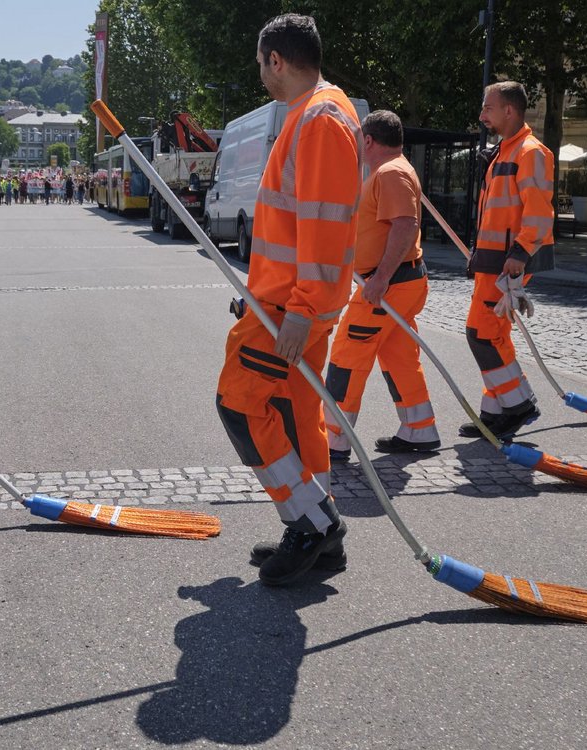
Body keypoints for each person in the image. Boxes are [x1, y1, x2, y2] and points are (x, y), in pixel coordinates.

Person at [215, 13, 361, 586]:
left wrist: (297, 309)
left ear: (277, 59)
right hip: (283, 301)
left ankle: (310, 524)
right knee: (299, 415)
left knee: (240, 406)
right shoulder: (317, 113)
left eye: (260, 64)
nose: (260, 74)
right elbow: (298, 227)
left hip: (291, 309)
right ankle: (320, 533)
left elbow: (323, 229)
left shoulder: (320, 119)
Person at [322, 110, 439, 463]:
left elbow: (405, 225)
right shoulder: (393, 171)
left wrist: (381, 278)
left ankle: (333, 439)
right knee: (399, 355)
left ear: (369, 141)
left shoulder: (390, 173)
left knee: (346, 354)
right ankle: (419, 428)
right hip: (397, 283)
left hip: (388, 285)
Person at [458, 81, 554, 443]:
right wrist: (479, 254)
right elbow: (495, 213)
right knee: (490, 333)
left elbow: (539, 211)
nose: (482, 116)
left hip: (510, 260)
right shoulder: (505, 152)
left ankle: (517, 404)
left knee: (482, 334)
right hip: (495, 259)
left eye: (488, 108)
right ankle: (495, 412)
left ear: (509, 111)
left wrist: (519, 254)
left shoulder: (530, 152)